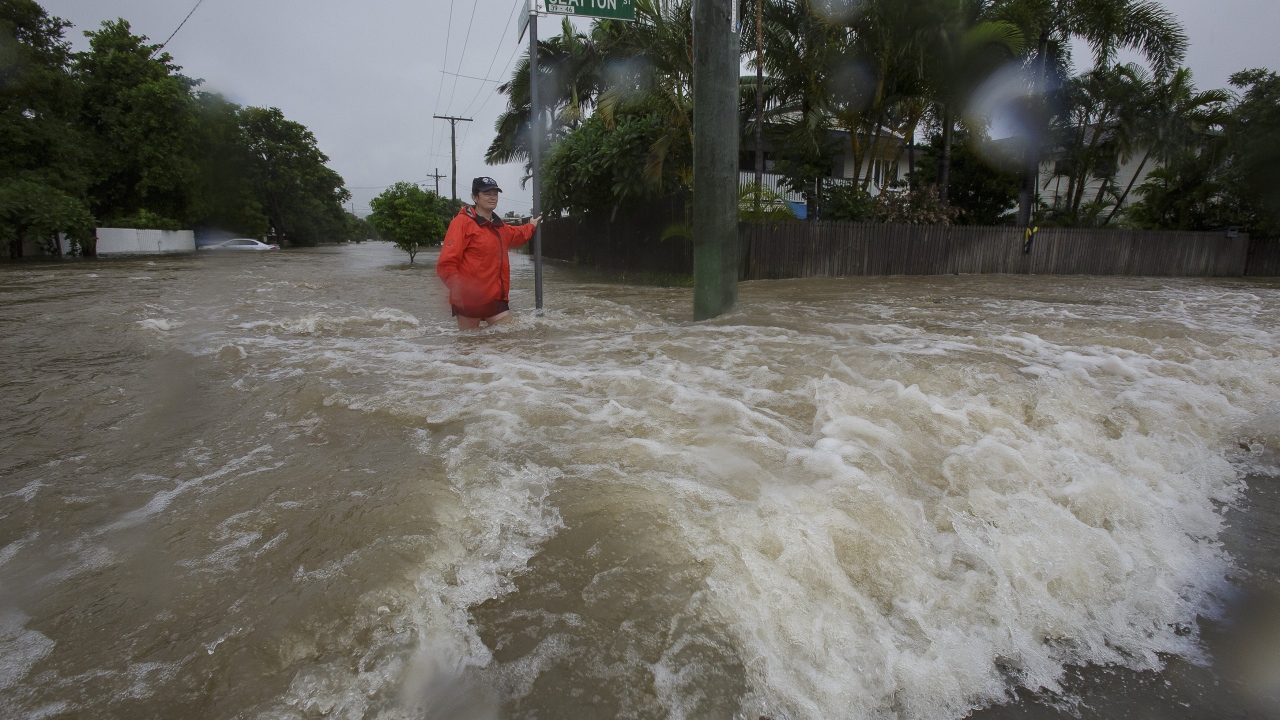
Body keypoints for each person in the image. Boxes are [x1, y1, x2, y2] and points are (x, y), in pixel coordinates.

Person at [436, 176, 542, 330]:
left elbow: (517, 235)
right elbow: (447, 263)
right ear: (474, 197)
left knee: (506, 339)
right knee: (469, 345)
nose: (492, 197)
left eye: (495, 194)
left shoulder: (499, 226)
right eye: (487, 193)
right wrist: (458, 291)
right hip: (469, 298)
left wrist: (531, 226)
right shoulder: (461, 223)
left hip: (496, 298)